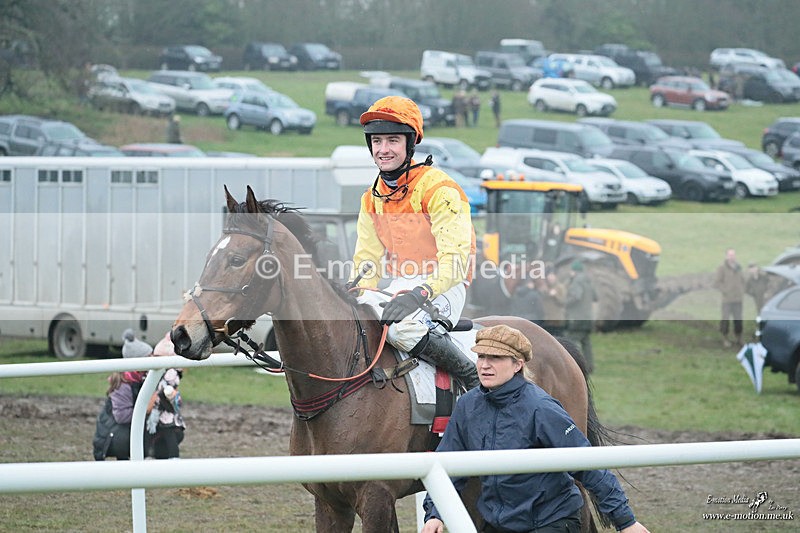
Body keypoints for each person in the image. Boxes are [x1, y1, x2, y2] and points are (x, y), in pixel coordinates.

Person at [421, 325, 650, 533]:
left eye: (496, 358)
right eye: (481, 356)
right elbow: (449, 463)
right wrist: (435, 514)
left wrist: (625, 521)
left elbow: (587, 463)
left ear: (518, 364)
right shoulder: (467, 406)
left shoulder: (541, 407)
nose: (485, 365)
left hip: (550, 521)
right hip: (498, 522)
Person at [349, 95, 479, 390]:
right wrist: (355, 294)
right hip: (400, 285)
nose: (383, 150)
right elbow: (367, 262)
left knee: (401, 327)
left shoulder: (439, 189)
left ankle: (474, 381)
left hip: (445, 286)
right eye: (377, 141)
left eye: (393, 140)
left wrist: (420, 293)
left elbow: (455, 262)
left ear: (410, 144)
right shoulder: (370, 198)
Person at [92, 329, 151, 461]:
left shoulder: (139, 378)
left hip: (120, 430)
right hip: (111, 435)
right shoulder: (123, 385)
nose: (152, 360)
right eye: (148, 357)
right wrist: (147, 411)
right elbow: (122, 416)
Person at [146, 332, 186, 459]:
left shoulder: (169, 373)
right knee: (166, 434)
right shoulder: (172, 372)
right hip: (163, 410)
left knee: (168, 433)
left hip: (163, 411)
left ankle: (172, 458)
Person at [564, 260, 597, 372]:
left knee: (570, 341)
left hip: (577, 318)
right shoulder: (588, 282)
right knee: (586, 342)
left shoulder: (576, 282)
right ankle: (590, 366)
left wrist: (565, 303)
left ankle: (573, 367)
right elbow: (596, 297)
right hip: (588, 317)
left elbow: (576, 296)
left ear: (574, 271)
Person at [713, 248, 745, 348]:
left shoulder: (739, 268)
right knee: (725, 319)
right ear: (726, 256)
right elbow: (717, 283)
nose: (732, 257)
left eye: (733, 255)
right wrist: (726, 291)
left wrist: (742, 290)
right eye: (730, 255)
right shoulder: (721, 268)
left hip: (738, 299)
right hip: (727, 300)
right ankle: (725, 338)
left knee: (738, 320)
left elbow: (743, 280)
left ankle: (739, 338)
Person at [540, 271, 567, 337]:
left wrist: (555, 295)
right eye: (549, 277)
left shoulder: (560, 287)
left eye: (552, 276)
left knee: (559, 340)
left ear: (555, 277)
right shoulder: (544, 288)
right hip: (546, 320)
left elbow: (563, 302)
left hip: (557, 320)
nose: (550, 278)